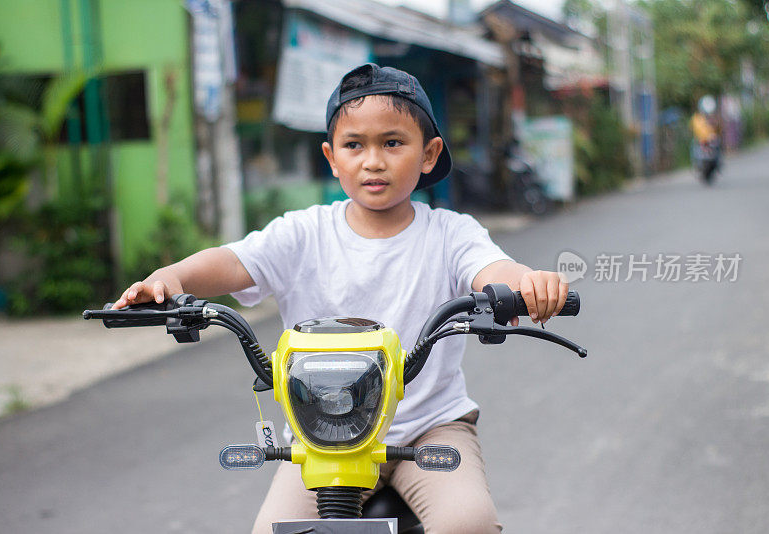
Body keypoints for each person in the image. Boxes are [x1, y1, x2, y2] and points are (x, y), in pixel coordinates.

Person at [112, 63, 569, 533]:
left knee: (466, 523)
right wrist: (171, 277)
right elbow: (233, 262)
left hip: (429, 427)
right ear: (332, 157)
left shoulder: (450, 233)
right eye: (355, 145)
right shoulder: (303, 232)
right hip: (319, 437)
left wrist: (527, 282)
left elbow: (491, 269)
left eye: (393, 143)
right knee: (272, 531)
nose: (373, 161)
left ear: (429, 154)